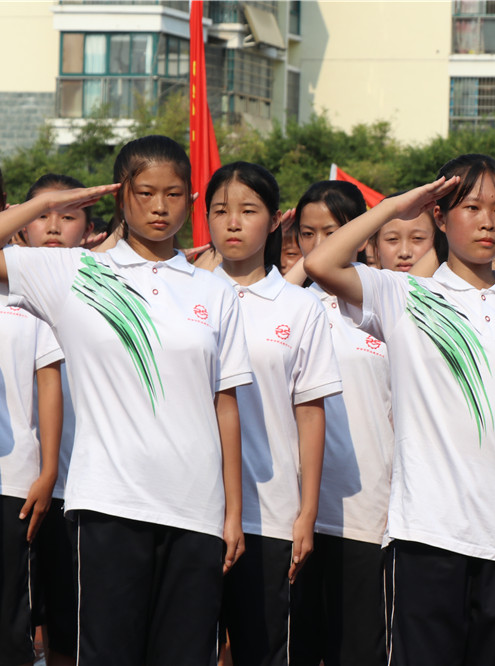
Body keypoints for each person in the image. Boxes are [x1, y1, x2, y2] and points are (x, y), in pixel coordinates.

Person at [303, 154, 495, 665]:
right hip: (427, 537)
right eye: (471, 207)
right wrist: (395, 206)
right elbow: (322, 264)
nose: (486, 221)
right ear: (439, 215)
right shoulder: (407, 296)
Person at [0, 135, 252, 666]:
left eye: (173, 194)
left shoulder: (214, 291)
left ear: (190, 200)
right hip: (109, 505)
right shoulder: (76, 273)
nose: (159, 207)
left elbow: (225, 404)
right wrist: (46, 204)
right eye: (145, 193)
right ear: (119, 196)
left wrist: (233, 513)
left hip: (196, 510)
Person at [206, 162, 342, 666]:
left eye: (248, 210)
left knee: (265, 651)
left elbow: (310, 414)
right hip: (194, 509)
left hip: (271, 513)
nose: (233, 223)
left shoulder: (299, 307)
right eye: (220, 211)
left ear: (276, 220)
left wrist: (306, 512)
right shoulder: (187, 296)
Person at [288, 180, 393, 666]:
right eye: (307, 233)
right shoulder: (291, 306)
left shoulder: (389, 303)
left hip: (369, 513)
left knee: (360, 649)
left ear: (361, 234)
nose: (317, 244)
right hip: (294, 515)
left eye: (331, 232)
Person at [20, 174, 101, 666]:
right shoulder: (6, 287)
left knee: (74, 629)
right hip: (16, 486)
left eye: (67, 216)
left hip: (82, 487)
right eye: (41, 214)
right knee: (23, 625)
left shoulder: (103, 285)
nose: (52, 226)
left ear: (89, 230)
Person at [0, 170, 65, 666]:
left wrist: (47, 470)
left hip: (13, 483)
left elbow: (48, 380)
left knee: (6, 623)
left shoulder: (26, 284)